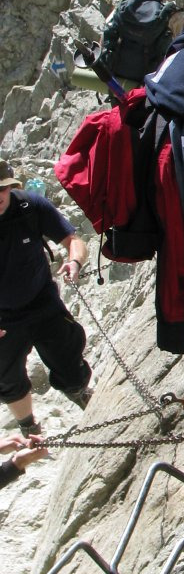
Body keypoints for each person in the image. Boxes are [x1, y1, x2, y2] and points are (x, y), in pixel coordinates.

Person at [0, 160, 92, 434]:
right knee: (6, 376)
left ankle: (77, 392)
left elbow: (73, 240)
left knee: (68, 355)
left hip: (42, 301)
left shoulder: (30, 207)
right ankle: (29, 427)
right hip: (2, 318)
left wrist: (74, 262)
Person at [73, 0, 183, 93]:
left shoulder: (127, 4)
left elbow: (105, 37)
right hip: (146, 89)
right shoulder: (174, 16)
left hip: (114, 80)